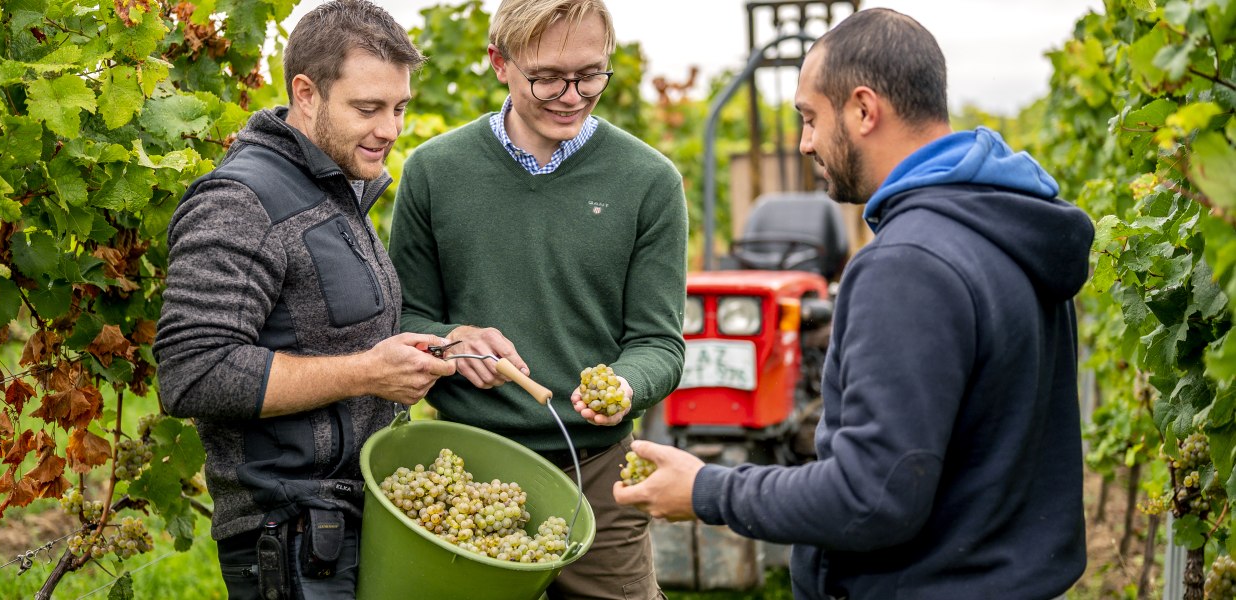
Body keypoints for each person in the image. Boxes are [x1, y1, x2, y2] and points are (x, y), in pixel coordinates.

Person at [614, 8, 1092, 600]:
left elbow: (872, 496)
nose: (804, 141)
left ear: (865, 110)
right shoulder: (1010, 229)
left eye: (811, 117)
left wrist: (708, 489)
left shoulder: (908, 263)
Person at [152, 2, 456, 597]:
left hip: (343, 525)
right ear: (306, 93)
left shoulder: (335, 188)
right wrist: (368, 372)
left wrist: (445, 347)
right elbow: (192, 373)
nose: (391, 129)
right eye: (367, 109)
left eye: (399, 108)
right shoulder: (242, 201)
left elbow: (331, 336)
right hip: (289, 536)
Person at [387, 0, 687, 597]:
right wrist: (452, 341)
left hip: (597, 468)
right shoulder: (434, 172)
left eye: (590, 74)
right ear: (499, 62)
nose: (572, 95)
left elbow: (657, 341)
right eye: (547, 76)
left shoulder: (649, 182)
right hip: (468, 468)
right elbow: (405, 316)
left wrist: (626, 385)